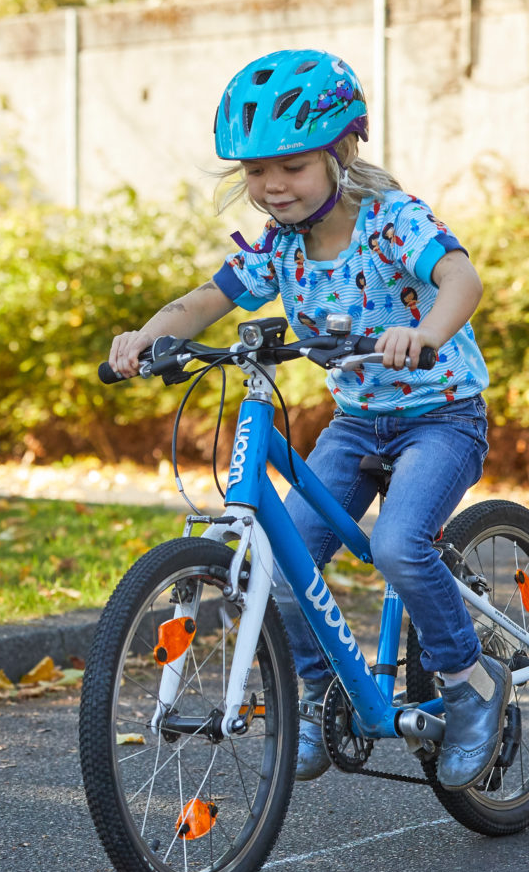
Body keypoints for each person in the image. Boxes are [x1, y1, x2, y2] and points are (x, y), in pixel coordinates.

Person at [105, 49, 503, 789]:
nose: (271, 186)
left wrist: (427, 334)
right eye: (256, 171)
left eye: (290, 165)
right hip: (358, 425)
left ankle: (472, 686)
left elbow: (460, 277)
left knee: (400, 545)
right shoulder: (279, 249)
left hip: (440, 417)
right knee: (280, 562)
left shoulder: (390, 223)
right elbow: (204, 301)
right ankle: (320, 698)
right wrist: (148, 337)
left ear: (340, 151)